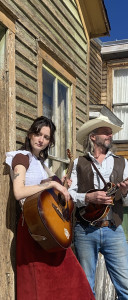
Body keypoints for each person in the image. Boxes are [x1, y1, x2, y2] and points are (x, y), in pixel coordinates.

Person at [5, 116, 95, 300]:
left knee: (72, 278)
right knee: (39, 285)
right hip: (33, 226)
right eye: (38, 134)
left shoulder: (42, 164)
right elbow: (19, 191)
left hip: (50, 225)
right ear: (30, 134)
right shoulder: (21, 157)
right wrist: (50, 185)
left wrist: (61, 184)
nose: (41, 140)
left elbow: (49, 195)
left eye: (46, 137)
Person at [68, 114, 128, 299]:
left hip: (113, 229)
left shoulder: (123, 163)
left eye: (111, 133)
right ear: (93, 136)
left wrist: (123, 192)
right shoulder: (78, 163)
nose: (110, 136)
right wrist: (88, 197)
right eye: (105, 132)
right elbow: (69, 195)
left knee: (126, 288)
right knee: (85, 287)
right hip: (84, 230)